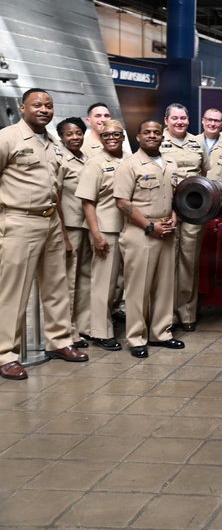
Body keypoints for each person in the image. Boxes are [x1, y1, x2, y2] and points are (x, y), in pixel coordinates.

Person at [0, 89, 89, 381]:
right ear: (22, 108)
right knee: (14, 292)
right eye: (37, 105)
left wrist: (61, 229)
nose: (43, 110)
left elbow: (56, 189)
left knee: (56, 285)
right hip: (19, 221)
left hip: (51, 220)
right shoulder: (7, 138)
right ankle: (5, 354)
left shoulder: (53, 142)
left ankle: (59, 341)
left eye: (48, 106)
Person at [113, 119, 183, 359]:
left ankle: (161, 333)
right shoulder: (129, 165)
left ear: (163, 136)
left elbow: (175, 196)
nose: (152, 135)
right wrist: (149, 226)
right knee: (138, 288)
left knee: (165, 286)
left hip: (166, 229)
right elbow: (122, 202)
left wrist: (174, 218)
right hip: (141, 231)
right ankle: (136, 337)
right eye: (147, 132)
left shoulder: (171, 163)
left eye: (156, 132)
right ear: (138, 137)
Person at [76, 119, 126, 351]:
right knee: (103, 283)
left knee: (119, 284)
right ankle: (100, 331)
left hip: (129, 228)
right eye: (106, 135)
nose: (112, 138)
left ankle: (111, 317)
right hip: (106, 229)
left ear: (123, 137)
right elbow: (88, 202)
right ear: (100, 138)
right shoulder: (95, 164)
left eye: (116, 134)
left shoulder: (129, 160)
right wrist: (96, 235)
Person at [159, 103, 208, 331]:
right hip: (164, 206)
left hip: (193, 208)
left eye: (183, 118)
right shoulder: (158, 140)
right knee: (166, 261)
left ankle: (186, 313)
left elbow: (204, 172)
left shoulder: (197, 142)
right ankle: (165, 315)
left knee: (189, 260)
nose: (180, 122)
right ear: (166, 120)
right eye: (175, 118)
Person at [57, 117, 91, 348]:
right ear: (62, 137)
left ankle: (83, 324)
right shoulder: (60, 161)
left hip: (88, 225)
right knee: (68, 280)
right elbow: (56, 198)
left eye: (78, 133)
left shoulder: (86, 159)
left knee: (86, 277)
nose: (75, 137)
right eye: (69, 134)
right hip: (70, 226)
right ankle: (67, 330)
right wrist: (64, 236)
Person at [194, 108, 222, 181]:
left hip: (219, 187)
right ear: (203, 121)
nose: (212, 124)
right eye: (209, 120)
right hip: (196, 186)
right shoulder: (192, 142)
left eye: (217, 121)